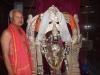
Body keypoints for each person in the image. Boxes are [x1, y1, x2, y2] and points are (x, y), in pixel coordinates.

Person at [0, 9, 33, 75]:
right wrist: (11, 73)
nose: (20, 19)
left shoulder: (22, 31)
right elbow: (5, 55)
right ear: (11, 19)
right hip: (15, 66)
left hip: (25, 64)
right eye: (17, 17)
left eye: (21, 17)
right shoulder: (7, 33)